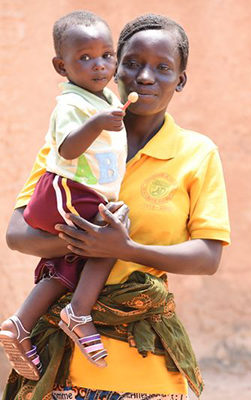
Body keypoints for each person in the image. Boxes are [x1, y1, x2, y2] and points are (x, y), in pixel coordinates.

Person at [3, 13, 230, 400]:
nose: (145, 77)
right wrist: (86, 241)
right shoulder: (72, 140)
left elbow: (207, 256)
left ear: (181, 80)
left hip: (146, 370)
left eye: (163, 68)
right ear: (113, 68)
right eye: (132, 63)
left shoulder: (196, 154)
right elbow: (18, 234)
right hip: (59, 369)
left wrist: (125, 250)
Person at [0, 10, 128, 377]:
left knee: (73, 260)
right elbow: (69, 149)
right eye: (85, 58)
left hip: (82, 192)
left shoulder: (104, 96)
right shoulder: (71, 104)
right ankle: (78, 313)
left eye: (106, 55)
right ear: (61, 66)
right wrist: (98, 123)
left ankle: (20, 325)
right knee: (112, 234)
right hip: (66, 191)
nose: (99, 65)